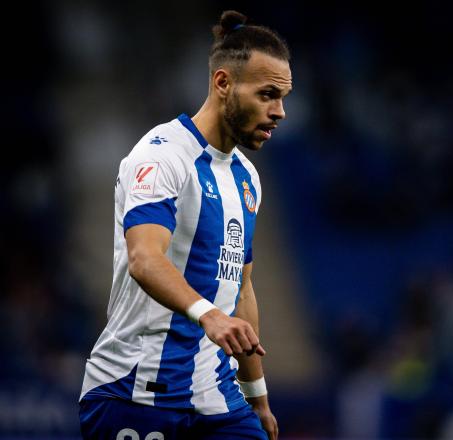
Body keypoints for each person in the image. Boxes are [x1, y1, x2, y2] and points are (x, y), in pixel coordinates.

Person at [79, 10, 292, 440]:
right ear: (223, 83)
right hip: (134, 393)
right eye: (268, 94)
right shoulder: (161, 156)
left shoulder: (247, 177)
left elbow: (242, 288)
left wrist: (258, 397)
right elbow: (144, 258)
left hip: (218, 401)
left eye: (283, 97)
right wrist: (208, 315)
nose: (280, 112)